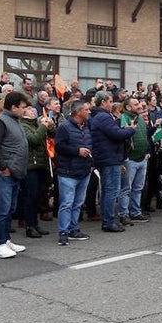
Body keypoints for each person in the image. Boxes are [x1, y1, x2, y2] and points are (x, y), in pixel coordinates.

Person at [0, 90, 30, 258]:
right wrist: (3, 167)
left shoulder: (14, 120)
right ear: (13, 107)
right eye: (23, 107)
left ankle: (5, 240)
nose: (25, 110)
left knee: (9, 208)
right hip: (2, 174)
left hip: (14, 173)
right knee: (2, 209)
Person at [89, 90, 135, 233]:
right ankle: (108, 221)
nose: (111, 104)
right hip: (109, 158)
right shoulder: (103, 117)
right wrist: (130, 130)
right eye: (109, 101)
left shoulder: (100, 116)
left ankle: (107, 220)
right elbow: (115, 134)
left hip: (107, 157)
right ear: (103, 102)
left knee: (107, 191)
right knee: (111, 190)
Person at [53, 99, 93, 245]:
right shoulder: (64, 127)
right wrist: (77, 151)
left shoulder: (87, 126)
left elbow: (90, 144)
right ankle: (63, 232)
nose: (89, 112)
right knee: (67, 203)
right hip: (68, 172)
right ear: (78, 112)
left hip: (84, 170)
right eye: (86, 109)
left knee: (78, 203)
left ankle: (73, 229)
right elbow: (59, 147)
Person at [18, 104, 53, 238]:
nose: (33, 111)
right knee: (30, 197)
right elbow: (33, 140)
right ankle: (29, 226)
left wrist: (49, 126)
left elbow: (51, 134)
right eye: (28, 109)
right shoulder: (23, 125)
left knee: (38, 196)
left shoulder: (35, 124)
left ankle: (35, 224)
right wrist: (43, 126)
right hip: (30, 166)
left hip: (40, 164)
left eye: (33, 109)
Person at [118, 97, 151, 224]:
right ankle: (123, 214)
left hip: (142, 158)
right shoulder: (123, 119)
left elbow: (146, 136)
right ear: (128, 107)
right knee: (126, 189)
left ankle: (135, 212)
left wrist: (147, 151)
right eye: (136, 104)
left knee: (137, 188)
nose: (140, 106)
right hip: (130, 159)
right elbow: (122, 138)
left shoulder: (140, 118)